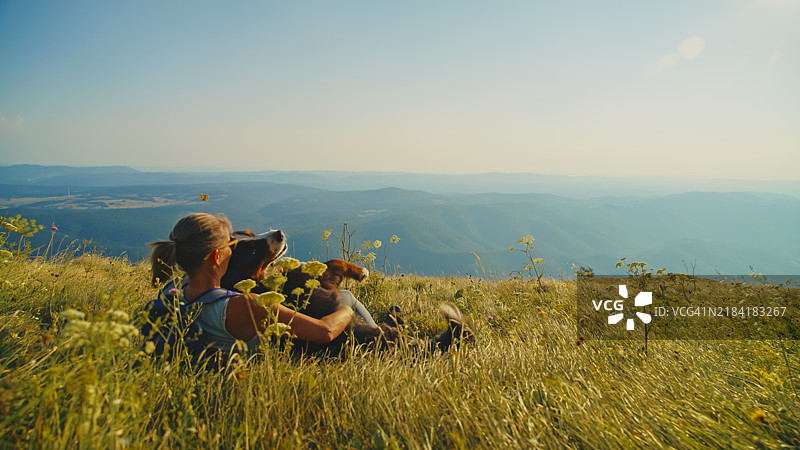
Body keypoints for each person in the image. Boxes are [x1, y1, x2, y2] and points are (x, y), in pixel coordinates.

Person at [148, 213, 356, 354]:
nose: (233, 249)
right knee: (345, 297)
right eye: (231, 244)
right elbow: (324, 331)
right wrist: (347, 310)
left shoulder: (172, 293)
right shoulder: (246, 305)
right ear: (216, 257)